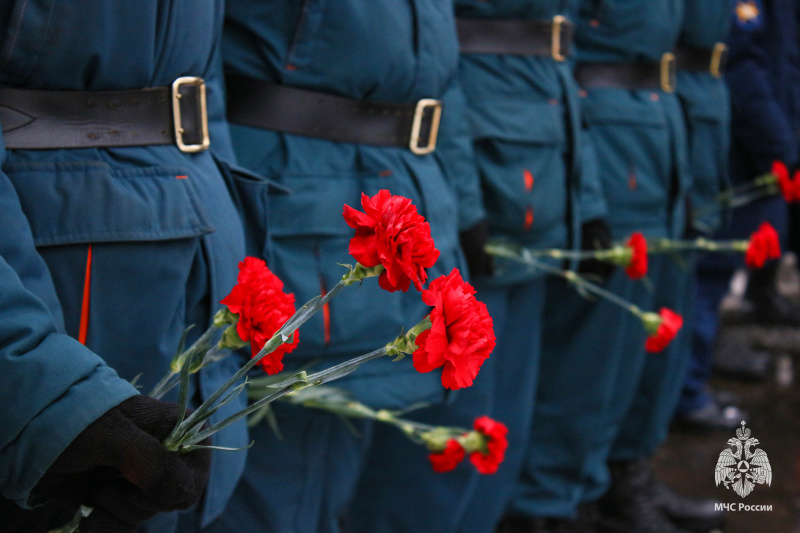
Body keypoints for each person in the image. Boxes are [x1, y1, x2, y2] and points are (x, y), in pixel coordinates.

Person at [201, 3, 469, 533]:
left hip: (401, 186)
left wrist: (461, 201)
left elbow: (445, 85)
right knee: (274, 466)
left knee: (335, 473)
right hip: (293, 196)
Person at [343, 2, 597, 532]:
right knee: (447, 421)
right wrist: (465, 196)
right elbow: (441, 61)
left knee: (501, 415)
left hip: (535, 158)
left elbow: (562, 57)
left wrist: (587, 195)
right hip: (479, 163)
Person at [0, 1, 251, 531]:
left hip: (192, 249)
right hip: (53, 284)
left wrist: (239, 251)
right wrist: (39, 386)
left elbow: (202, 90)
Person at [501, 1, 696, 532]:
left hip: (644, 121)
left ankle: (599, 486)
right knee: (582, 356)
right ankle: (549, 505)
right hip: (595, 127)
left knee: (619, 356)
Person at [600, 2, 731, 532]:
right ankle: (586, 497)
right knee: (607, 349)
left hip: (662, 115)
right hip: (616, 124)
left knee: (655, 336)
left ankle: (630, 474)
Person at [685, 0, 800, 424]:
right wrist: (779, 146)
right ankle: (687, 393)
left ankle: (694, 381)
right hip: (740, 144)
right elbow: (742, 65)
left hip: (761, 135)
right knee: (710, 270)